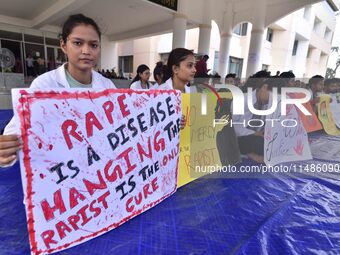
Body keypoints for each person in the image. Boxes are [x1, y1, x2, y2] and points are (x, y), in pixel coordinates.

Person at [0, 13, 116, 167]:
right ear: (63, 45)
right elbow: (16, 135)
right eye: (78, 43)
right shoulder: (44, 85)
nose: (86, 51)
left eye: (93, 45)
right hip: (61, 173)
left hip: (101, 170)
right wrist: (6, 151)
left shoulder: (107, 86)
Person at [233, 77, 284, 163]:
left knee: (279, 142)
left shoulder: (268, 104)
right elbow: (233, 127)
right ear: (264, 87)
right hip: (240, 137)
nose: (271, 101)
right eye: (272, 97)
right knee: (260, 144)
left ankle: (255, 153)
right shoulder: (241, 100)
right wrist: (255, 133)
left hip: (257, 136)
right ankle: (250, 154)